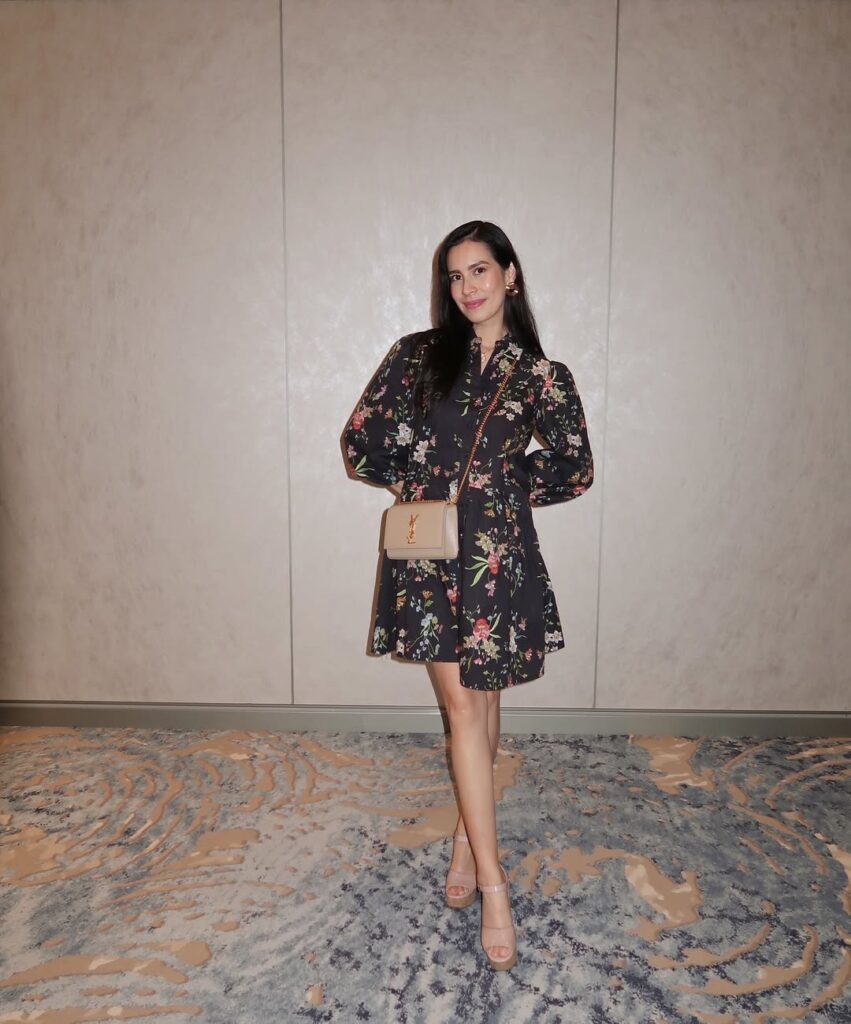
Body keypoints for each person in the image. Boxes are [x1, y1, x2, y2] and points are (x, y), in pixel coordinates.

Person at [342, 220, 594, 971]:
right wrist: (422, 484)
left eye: (480, 270)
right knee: (460, 707)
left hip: (495, 558)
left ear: (510, 276)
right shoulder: (417, 355)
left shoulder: (542, 378)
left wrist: (506, 488)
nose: (467, 287)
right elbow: (360, 442)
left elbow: (574, 467)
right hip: (429, 556)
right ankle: (492, 884)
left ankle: (463, 838)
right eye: (455, 276)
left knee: (482, 705)